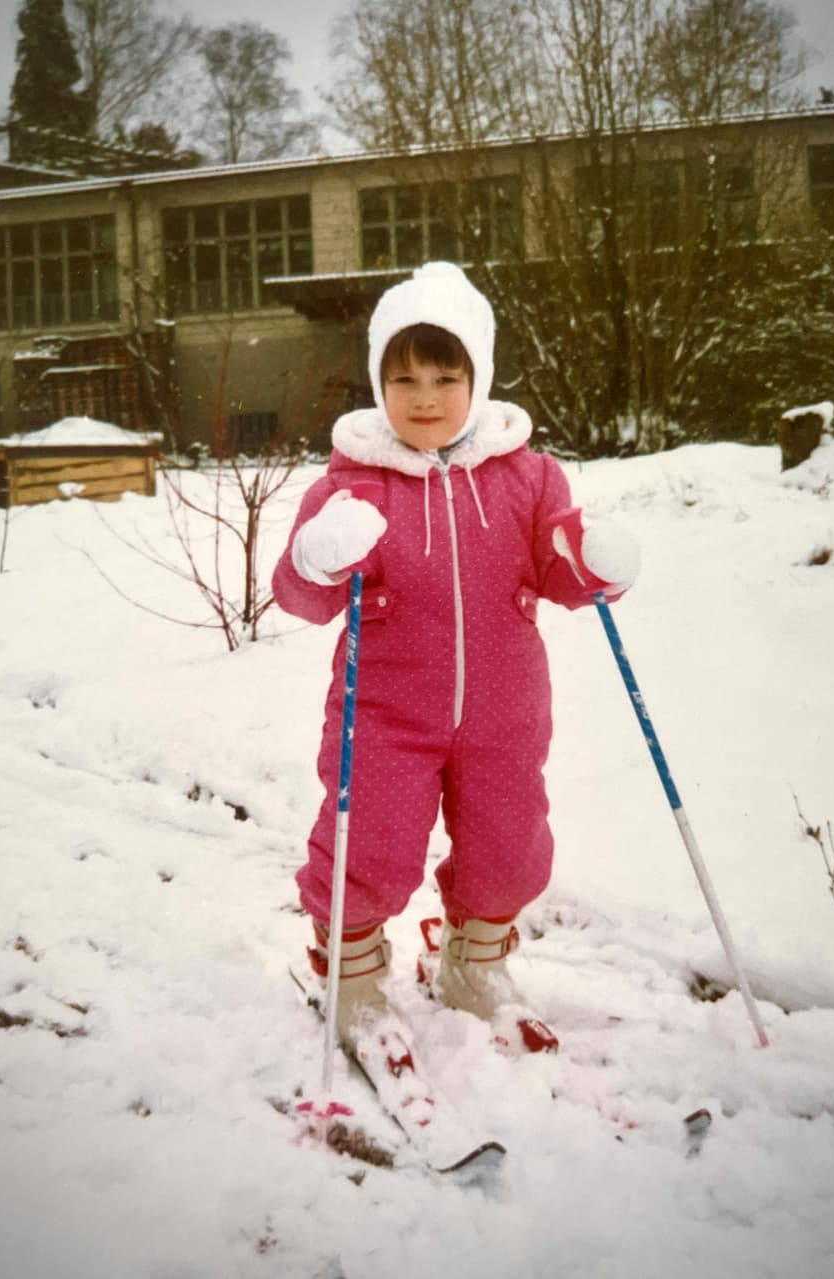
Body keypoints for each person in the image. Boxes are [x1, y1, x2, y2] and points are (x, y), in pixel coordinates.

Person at [272, 262, 639, 1053]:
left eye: (446, 375)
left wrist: (594, 560)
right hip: (385, 716)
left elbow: (560, 568)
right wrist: (319, 554)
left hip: (504, 715)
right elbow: (300, 596)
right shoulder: (353, 482)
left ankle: (475, 963)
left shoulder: (527, 476)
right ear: (378, 384)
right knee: (370, 843)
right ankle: (356, 974)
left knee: (510, 846)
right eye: (402, 378)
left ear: (480, 377)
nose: (425, 396)